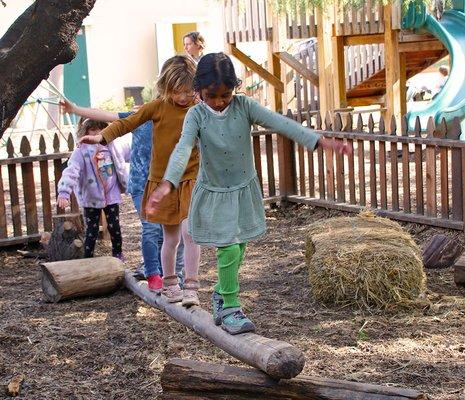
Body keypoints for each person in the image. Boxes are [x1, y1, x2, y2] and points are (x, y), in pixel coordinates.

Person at [148, 53, 352, 335]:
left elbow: (279, 123)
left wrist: (319, 140)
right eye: (212, 95)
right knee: (229, 248)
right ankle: (230, 307)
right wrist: (168, 182)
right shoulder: (196, 115)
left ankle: (221, 292)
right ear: (199, 91)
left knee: (240, 245)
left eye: (226, 94)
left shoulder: (243, 106)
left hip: (244, 188)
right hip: (215, 191)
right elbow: (183, 148)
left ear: (234, 89)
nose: (219, 101)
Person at [79, 55, 201, 307]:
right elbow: (126, 123)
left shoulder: (198, 108)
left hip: (189, 179)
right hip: (161, 182)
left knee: (192, 234)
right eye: (177, 92)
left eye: (188, 92)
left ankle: (191, 285)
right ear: (166, 88)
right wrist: (101, 138)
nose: (183, 97)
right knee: (171, 238)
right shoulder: (157, 107)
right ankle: (170, 282)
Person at [59, 99, 184, 287]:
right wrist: (75, 109)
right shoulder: (141, 118)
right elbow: (107, 115)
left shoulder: (180, 118)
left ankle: (172, 272)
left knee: (172, 231)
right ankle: (152, 272)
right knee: (151, 228)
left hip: (166, 184)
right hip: (141, 185)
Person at [57, 119, 131, 259]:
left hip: (111, 195)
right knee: (92, 229)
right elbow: (71, 171)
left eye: (101, 129)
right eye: (93, 130)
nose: (98, 133)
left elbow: (130, 151)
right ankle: (88, 258)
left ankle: (117, 254)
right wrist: (64, 191)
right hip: (91, 197)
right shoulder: (81, 151)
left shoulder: (112, 146)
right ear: (85, 132)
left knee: (114, 227)